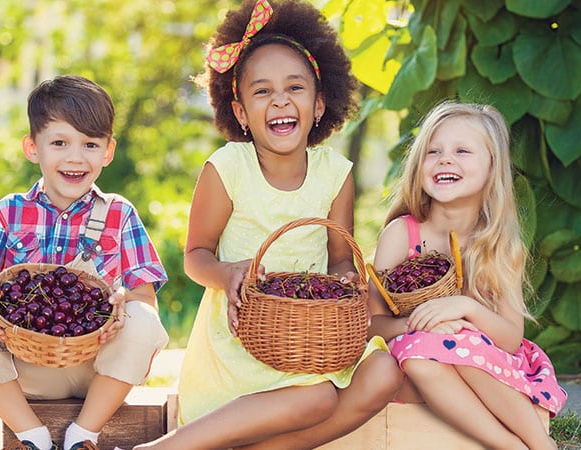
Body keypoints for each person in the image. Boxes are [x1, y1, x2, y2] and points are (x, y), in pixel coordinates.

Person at [132, 1, 402, 449]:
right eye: (262, 91)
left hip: (308, 337)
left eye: (295, 87)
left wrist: (346, 284)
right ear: (240, 113)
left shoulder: (335, 174)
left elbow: (339, 261)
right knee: (317, 401)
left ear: (318, 105)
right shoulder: (228, 167)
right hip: (240, 341)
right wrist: (227, 273)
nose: (280, 100)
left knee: (384, 372)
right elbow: (196, 256)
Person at [0, 75, 170, 450]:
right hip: (23, 370)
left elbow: (145, 300)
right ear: (33, 148)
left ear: (107, 152)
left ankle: (83, 435)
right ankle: (33, 437)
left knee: (145, 322)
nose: (75, 157)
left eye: (90, 144)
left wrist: (123, 306)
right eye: (59, 142)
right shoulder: (9, 212)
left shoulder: (119, 214)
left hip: (95, 370)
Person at [367, 101, 566, 450]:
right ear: (418, 165)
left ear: (492, 168)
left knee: (460, 339)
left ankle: (540, 443)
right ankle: (513, 446)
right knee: (423, 355)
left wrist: (464, 309)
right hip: (414, 368)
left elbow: (510, 339)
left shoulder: (498, 245)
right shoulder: (402, 234)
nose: (445, 159)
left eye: (462, 150)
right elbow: (371, 323)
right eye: (433, 151)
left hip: (487, 365)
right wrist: (416, 326)